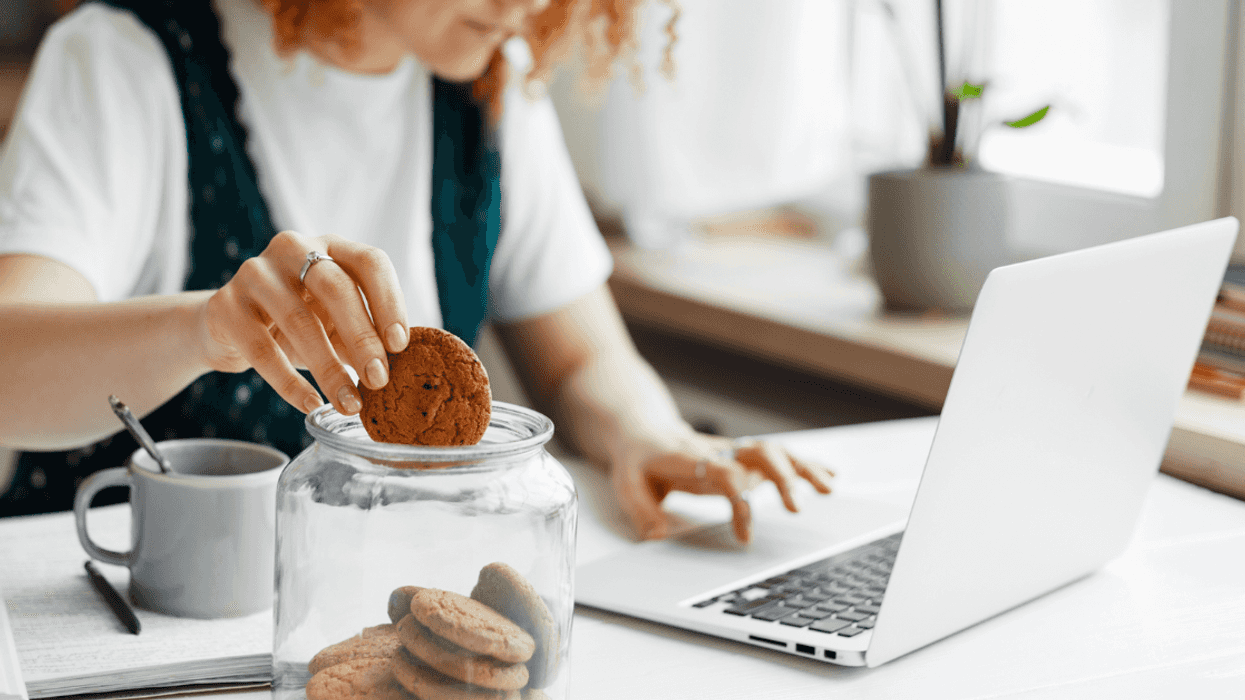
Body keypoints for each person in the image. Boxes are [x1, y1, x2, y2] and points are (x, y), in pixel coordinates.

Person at [0, 0, 833, 541]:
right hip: (123, 620)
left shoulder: (490, 84)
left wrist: (650, 436)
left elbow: (584, 360)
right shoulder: (122, 60)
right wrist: (205, 329)